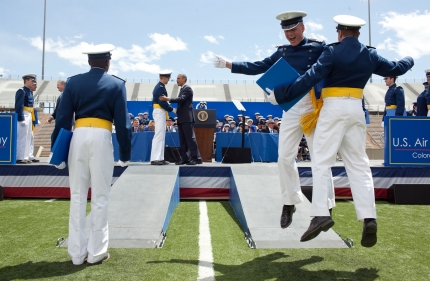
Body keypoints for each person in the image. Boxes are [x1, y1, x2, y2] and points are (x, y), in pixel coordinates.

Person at [270, 15, 413, 247]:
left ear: (339, 32)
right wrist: (409, 59)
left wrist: (282, 95)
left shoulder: (332, 51)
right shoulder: (369, 53)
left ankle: (320, 214)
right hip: (357, 108)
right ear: (357, 33)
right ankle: (369, 218)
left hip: (333, 109)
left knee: (321, 161)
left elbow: (310, 78)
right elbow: (397, 68)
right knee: (359, 164)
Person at [214, 11, 336, 229]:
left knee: (321, 158)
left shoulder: (318, 47)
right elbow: (259, 66)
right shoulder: (283, 52)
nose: (290, 34)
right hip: (290, 107)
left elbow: (332, 69)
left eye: (293, 29)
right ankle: (289, 202)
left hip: (313, 107)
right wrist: (230, 65)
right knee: (284, 158)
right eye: (286, 31)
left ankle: (326, 205)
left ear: (303, 27)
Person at [51, 44, 132, 265]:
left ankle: (76, 254)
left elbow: (63, 118)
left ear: (89, 62)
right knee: (100, 196)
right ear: (108, 62)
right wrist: (125, 153)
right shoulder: (117, 84)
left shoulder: (73, 82)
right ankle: (96, 252)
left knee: (77, 195)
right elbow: (123, 124)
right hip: (102, 136)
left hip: (78, 136)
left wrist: (56, 153)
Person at [159, 74, 202, 165]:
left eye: (178, 78)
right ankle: (185, 158)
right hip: (181, 118)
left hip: (187, 118)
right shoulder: (182, 89)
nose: (176, 80)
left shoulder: (187, 89)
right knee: (182, 140)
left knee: (190, 139)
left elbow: (181, 99)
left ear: (184, 79)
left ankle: (196, 158)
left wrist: (168, 99)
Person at [150, 71, 176, 165]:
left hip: (161, 111)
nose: (168, 80)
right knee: (159, 134)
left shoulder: (161, 87)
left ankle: (160, 157)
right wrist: (172, 109)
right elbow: (162, 102)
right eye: (168, 78)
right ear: (164, 78)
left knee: (161, 135)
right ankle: (155, 158)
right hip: (159, 111)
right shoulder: (160, 87)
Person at [15, 74, 38, 164]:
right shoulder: (21, 91)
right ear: (27, 80)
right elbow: (19, 105)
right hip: (24, 114)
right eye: (32, 81)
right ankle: (20, 157)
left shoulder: (30, 92)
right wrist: (21, 118)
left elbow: (32, 107)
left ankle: (28, 155)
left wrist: (35, 118)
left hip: (29, 114)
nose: (33, 83)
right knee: (22, 136)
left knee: (30, 136)